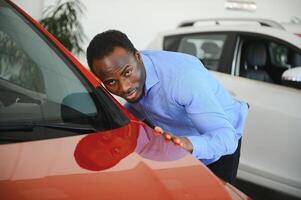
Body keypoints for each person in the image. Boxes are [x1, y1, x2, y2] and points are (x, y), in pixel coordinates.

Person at [86, 30, 249, 184]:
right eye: (111, 82)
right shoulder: (131, 70)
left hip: (219, 145)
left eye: (127, 73)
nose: (124, 87)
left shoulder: (183, 79)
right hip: (177, 143)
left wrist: (186, 144)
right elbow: (136, 107)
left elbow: (226, 139)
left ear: (138, 56)